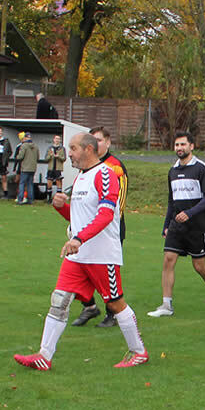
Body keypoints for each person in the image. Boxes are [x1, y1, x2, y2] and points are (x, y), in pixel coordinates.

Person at [13, 134, 147, 370]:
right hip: (78, 254)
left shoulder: (106, 174)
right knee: (59, 300)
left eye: (73, 148)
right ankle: (44, 355)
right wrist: (61, 208)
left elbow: (105, 215)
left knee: (116, 304)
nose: (70, 153)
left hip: (102, 255)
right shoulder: (81, 177)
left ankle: (139, 352)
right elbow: (78, 219)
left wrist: (79, 238)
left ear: (88, 149)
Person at [148, 132, 205, 317]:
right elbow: (171, 200)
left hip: (198, 226)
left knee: (199, 266)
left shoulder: (201, 168)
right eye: (176, 145)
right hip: (177, 226)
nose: (179, 148)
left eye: (183, 144)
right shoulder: (173, 171)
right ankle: (166, 305)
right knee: (168, 260)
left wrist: (189, 213)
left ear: (191, 146)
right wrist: (166, 224)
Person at [70, 126, 131, 328]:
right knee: (76, 275)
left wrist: (110, 222)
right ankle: (89, 306)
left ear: (108, 142)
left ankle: (112, 314)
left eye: (100, 140)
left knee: (107, 279)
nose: (96, 144)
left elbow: (116, 204)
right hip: (86, 231)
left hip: (106, 229)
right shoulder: (84, 170)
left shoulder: (114, 167)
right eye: (93, 140)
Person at [13, 131, 39, 204]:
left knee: (22, 183)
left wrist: (17, 157)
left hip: (25, 168)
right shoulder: (36, 146)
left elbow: (20, 156)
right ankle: (30, 200)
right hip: (33, 168)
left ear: (25, 138)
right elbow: (38, 157)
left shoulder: (24, 146)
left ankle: (20, 199)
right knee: (30, 184)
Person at [44, 134, 66, 199]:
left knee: (59, 182)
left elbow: (64, 158)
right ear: (54, 140)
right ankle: (49, 198)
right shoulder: (49, 148)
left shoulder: (62, 148)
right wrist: (50, 156)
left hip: (58, 168)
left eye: (59, 139)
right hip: (51, 168)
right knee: (49, 182)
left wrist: (58, 157)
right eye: (56, 139)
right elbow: (46, 158)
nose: (57, 140)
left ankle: (58, 198)